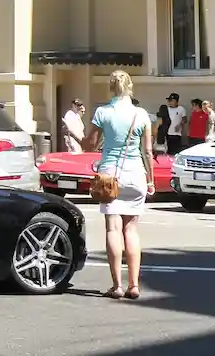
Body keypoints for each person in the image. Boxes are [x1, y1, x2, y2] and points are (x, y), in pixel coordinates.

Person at [83, 70, 154, 301]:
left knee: (113, 229)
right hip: (136, 175)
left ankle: (117, 286)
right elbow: (148, 151)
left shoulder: (103, 112)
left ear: (111, 88)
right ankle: (134, 285)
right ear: (130, 87)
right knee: (131, 230)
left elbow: (90, 145)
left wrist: (75, 134)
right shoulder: (141, 114)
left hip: (110, 175)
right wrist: (151, 180)